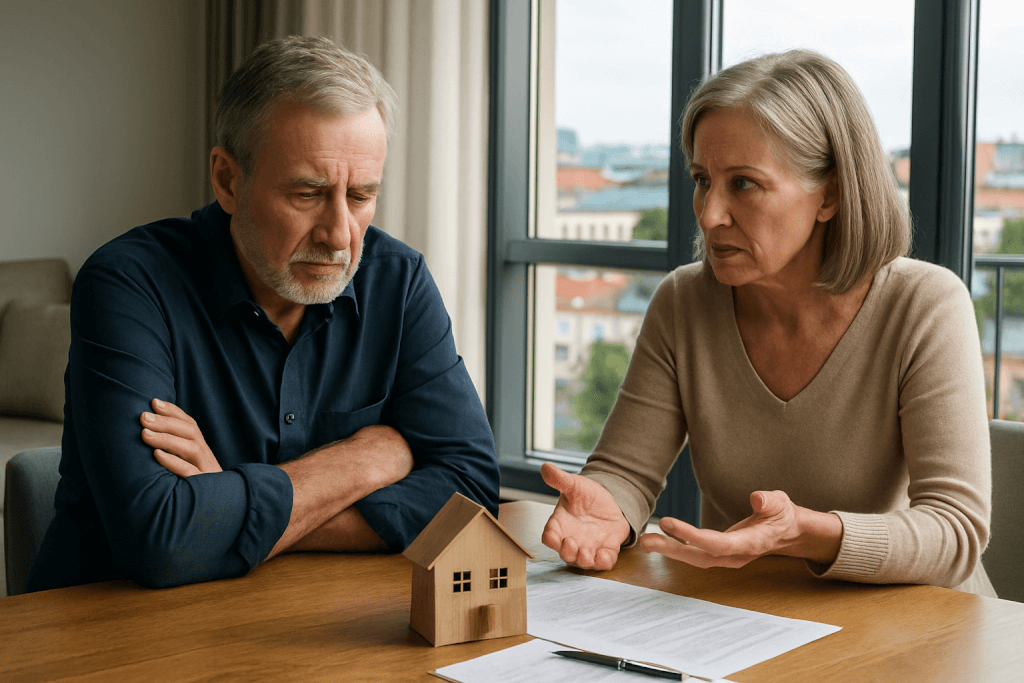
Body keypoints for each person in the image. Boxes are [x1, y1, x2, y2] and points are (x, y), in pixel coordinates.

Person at [27, 36, 499, 591]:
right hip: (109, 640)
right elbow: (161, 540)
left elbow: (470, 493)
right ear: (229, 180)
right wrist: (363, 463)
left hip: (303, 628)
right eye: (308, 193)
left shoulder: (398, 281)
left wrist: (229, 501)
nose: (340, 235)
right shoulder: (128, 284)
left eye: (361, 196)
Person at [541, 49, 994, 596]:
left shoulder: (925, 303)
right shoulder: (684, 301)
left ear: (829, 194)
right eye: (702, 179)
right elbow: (626, 471)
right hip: (746, 619)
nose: (709, 214)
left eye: (744, 184)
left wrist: (807, 533)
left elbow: (955, 531)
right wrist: (608, 507)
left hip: (920, 629)